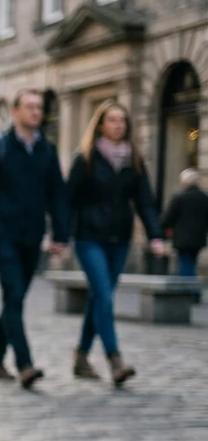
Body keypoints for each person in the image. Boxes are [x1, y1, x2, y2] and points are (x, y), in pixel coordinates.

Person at [0, 88, 69, 389]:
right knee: (13, 293)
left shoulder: (46, 151)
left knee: (15, 297)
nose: (36, 112)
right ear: (15, 112)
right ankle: (24, 364)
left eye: (39, 107)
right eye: (29, 107)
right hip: (2, 234)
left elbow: (57, 195)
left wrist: (61, 234)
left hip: (32, 234)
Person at [66, 102, 164, 386]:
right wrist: (60, 235)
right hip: (89, 237)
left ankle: (81, 356)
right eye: (112, 120)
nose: (119, 125)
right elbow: (68, 200)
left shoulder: (133, 158)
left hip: (120, 239)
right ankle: (115, 360)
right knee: (105, 296)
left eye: (123, 120)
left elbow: (144, 200)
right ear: (100, 125)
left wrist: (155, 235)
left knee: (99, 297)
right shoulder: (84, 158)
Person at [162, 168, 207, 278]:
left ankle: (187, 289)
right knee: (191, 262)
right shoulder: (204, 198)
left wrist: (164, 228)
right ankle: (191, 285)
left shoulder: (180, 198)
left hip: (182, 238)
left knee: (184, 263)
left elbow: (168, 217)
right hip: (198, 237)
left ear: (184, 182)